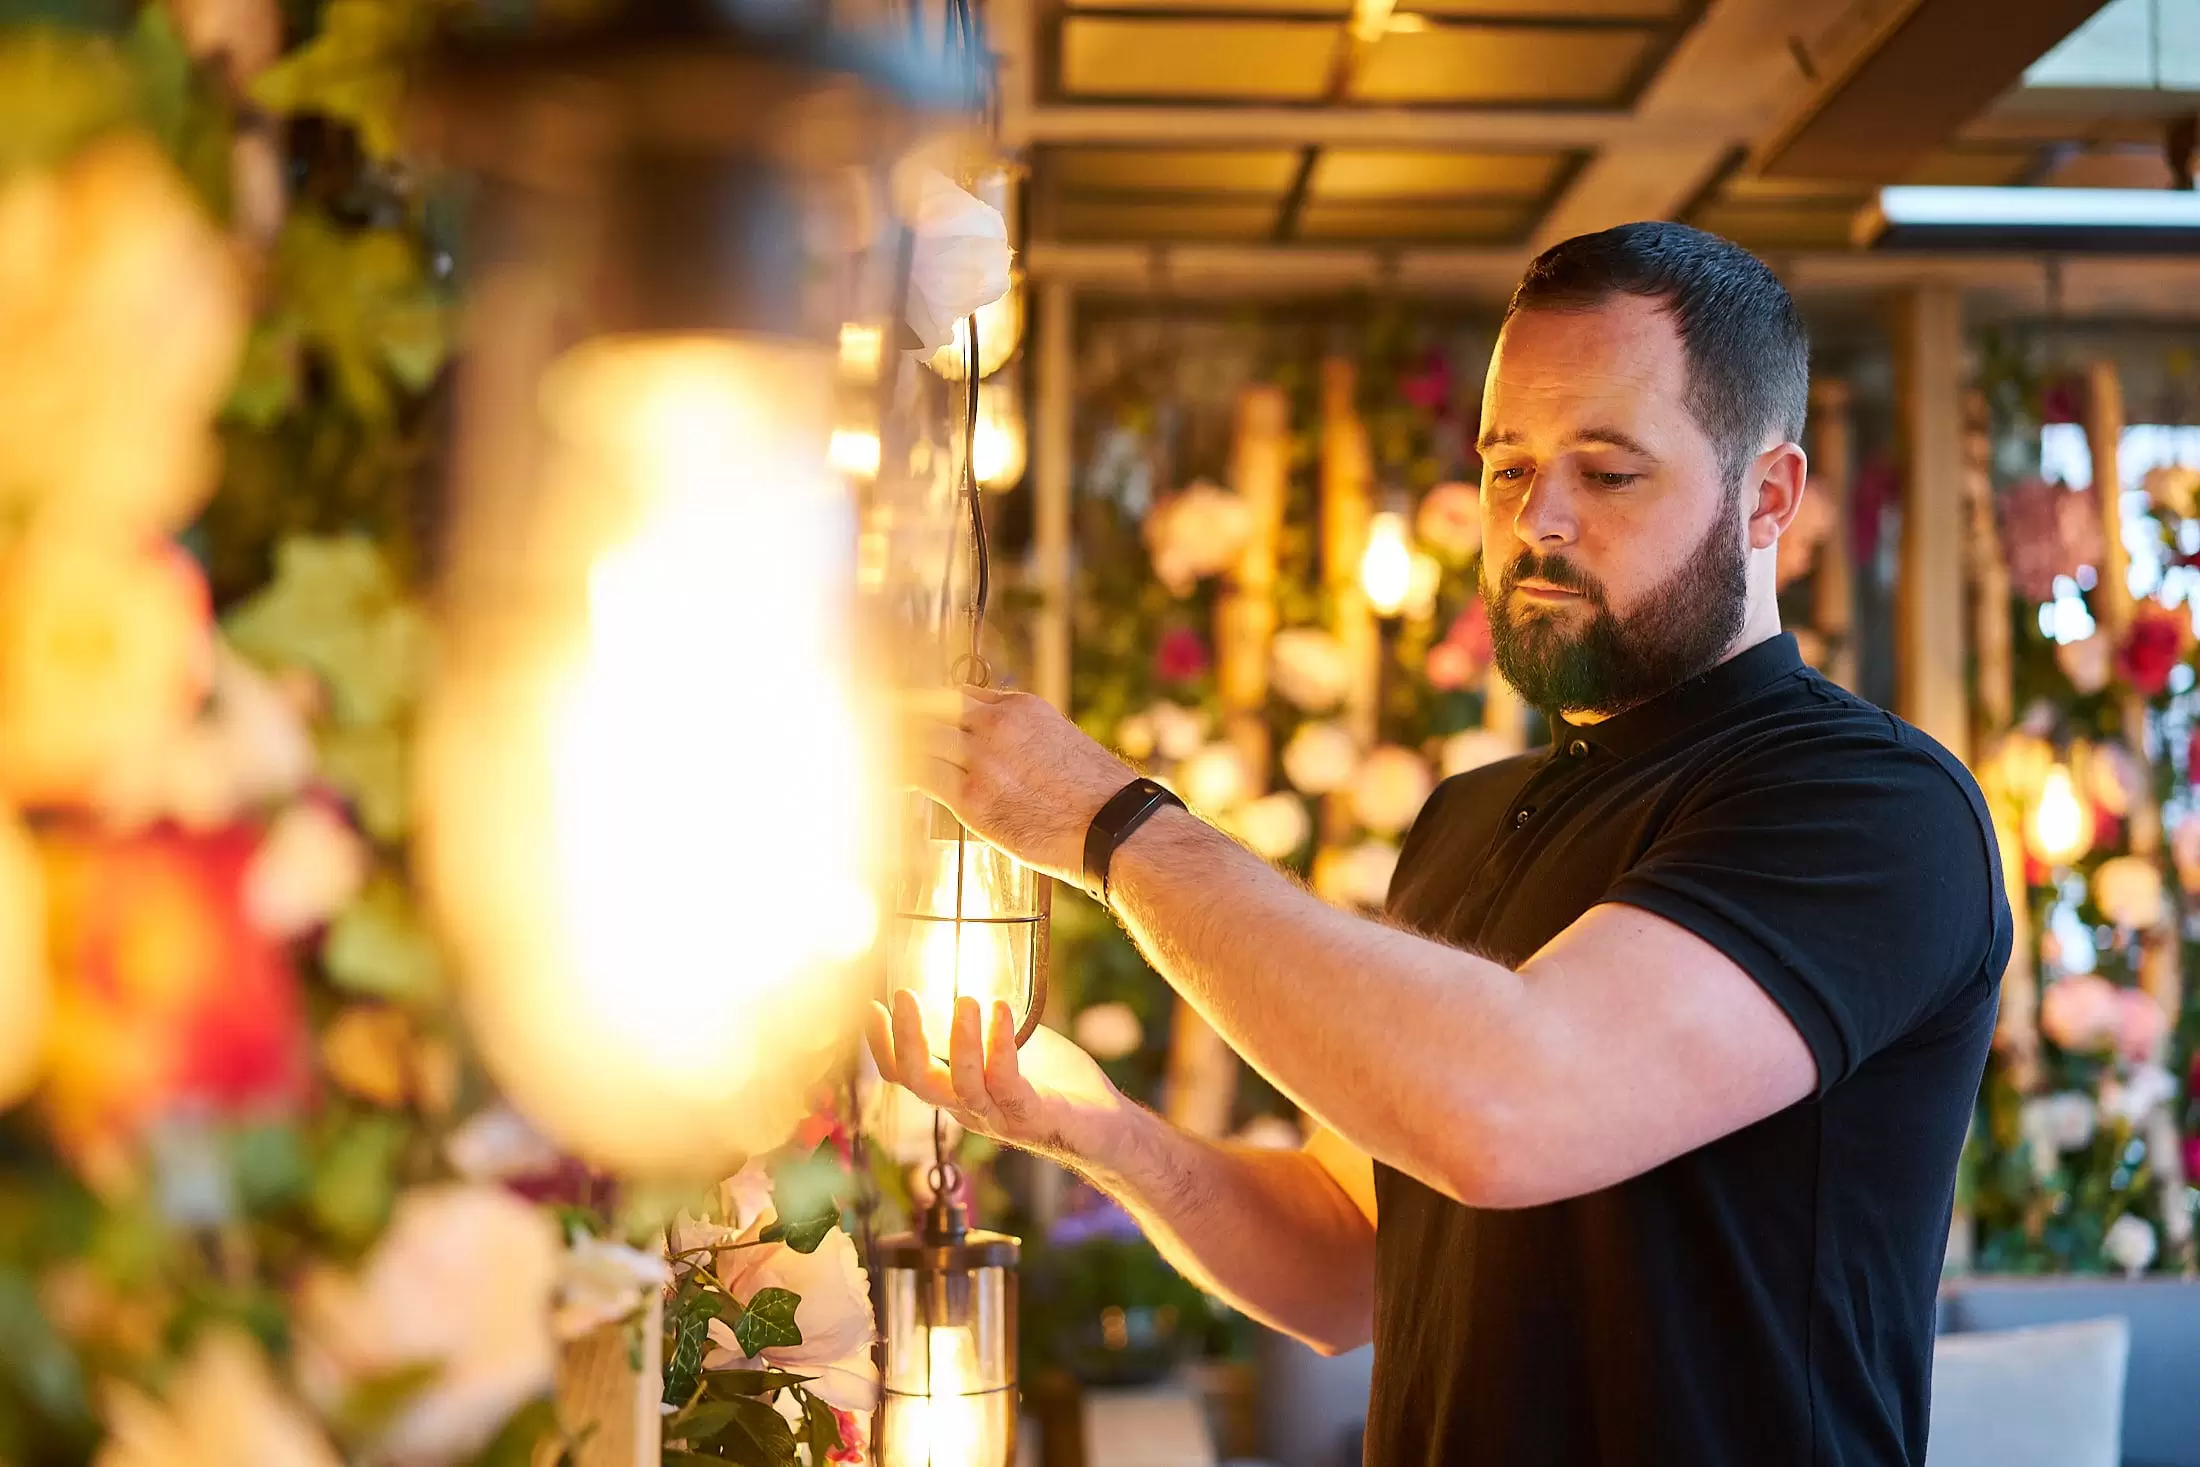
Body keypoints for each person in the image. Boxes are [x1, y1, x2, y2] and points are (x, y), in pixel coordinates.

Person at [874, 221, 2010, 1466]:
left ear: (1769, 495)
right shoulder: (1470, 816)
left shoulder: (1866, 803)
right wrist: (1099, 1132)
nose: (1542, 521)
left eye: (1609, 472)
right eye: (1508, 468)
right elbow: (1338, 1262)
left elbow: (1510, 1111)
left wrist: (1109, 823)